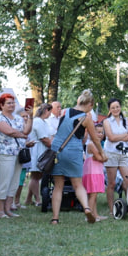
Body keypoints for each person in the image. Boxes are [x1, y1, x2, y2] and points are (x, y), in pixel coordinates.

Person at [49, 90, 107, 224]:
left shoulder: (65, 112)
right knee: (78, 185)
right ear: (91, 104)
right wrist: (102, 153)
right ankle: (87, 209)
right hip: (73, 151)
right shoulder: (86, 118)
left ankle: (55, 218)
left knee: (58, 186)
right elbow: (95, 139)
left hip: (57, 149)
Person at [0, 93, 33, 219]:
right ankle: (0, 211)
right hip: (5, 153)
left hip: (18, 153)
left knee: (14, 182)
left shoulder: (18, 118)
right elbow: (9, 131)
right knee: (4, 181)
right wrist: (22, 135)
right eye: (9, 103)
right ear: (1, 105)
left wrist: (30, 116)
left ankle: (8, 209)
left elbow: (27, 131)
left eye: (13, 102)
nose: (12, 105)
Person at [103, 98, 128, 216]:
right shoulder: (107, 122)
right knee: (112, 183)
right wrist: (125, 135)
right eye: (113, 107)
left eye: (117, 107)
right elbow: (111, 137)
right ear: (110, 109)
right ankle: (112, 209)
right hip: (111, 153)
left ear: (120, 107)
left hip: (124, 153)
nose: (115, 109)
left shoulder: (125, 120)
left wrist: (119, 137)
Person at [24, 103, 52, 207]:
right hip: (37, 150)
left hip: (42, 150)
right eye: (50, 111)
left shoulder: (44, 122)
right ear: (46, 111)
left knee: (38, 175)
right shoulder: (38, 122)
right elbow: (43, 138)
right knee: (35, 176)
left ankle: (28, 199)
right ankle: (38, 199)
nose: (50, 114)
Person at [82, 128, 107, 221]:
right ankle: (89, 215)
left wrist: (103, 157)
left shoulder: (98, 145)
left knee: (94, 194)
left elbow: (102, 157)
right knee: (93, 195)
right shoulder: (91, 144)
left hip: (96, 171)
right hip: (92, 172)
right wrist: (103, 156)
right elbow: (100, 158)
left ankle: (95, 214)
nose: (100, 134)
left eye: (102, 132)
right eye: (98, 132)